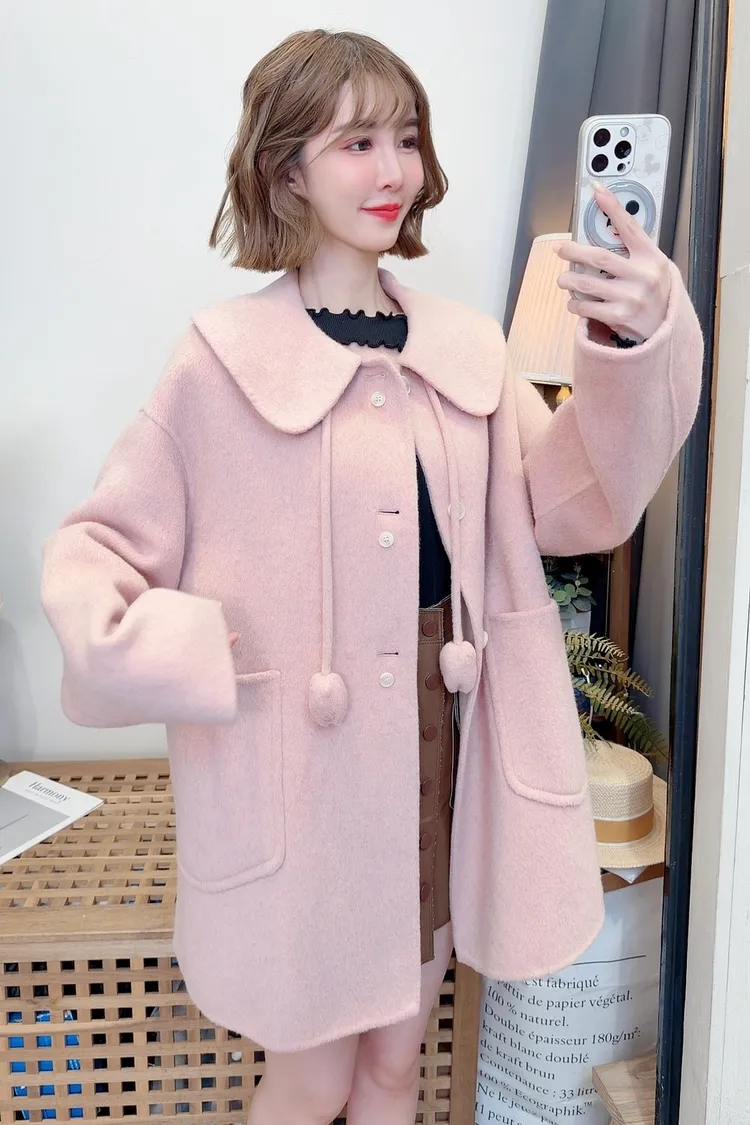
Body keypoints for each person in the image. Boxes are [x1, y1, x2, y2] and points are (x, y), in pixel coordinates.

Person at [40, 28, 704, 1125]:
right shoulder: (219, 360)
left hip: (437, 760)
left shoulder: (464, 348)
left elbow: (575, 505)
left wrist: (633, 344)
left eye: (405, 136)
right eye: (356, 143)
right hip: (299, 783)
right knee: (313, 1076)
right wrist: (198, 654)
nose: (393, 168)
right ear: (285, 167)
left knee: (397, 1068)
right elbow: (96, 551)